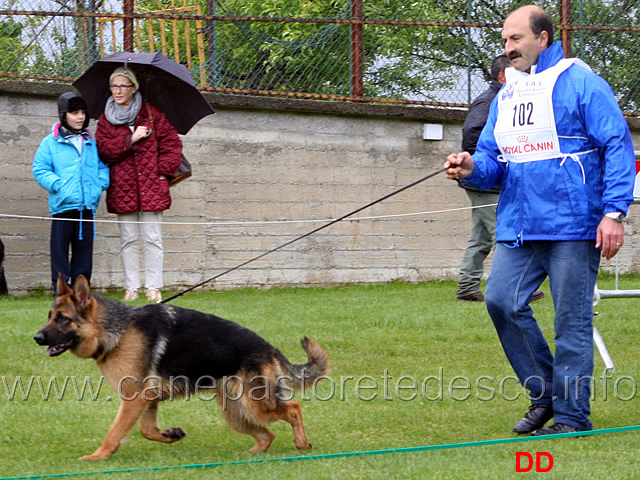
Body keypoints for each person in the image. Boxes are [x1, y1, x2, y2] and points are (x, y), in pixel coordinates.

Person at [444, 5, 635, 435]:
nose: (508, 48)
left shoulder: (583, 82)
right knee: (500, 302)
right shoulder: (507, 94)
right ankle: (546, 394)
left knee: (571, 323)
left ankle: (571, 418)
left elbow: (618, 146)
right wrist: (471, 167)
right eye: (506, 40)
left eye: (516, 39)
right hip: (520, 222)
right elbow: (494, 159)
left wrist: (613, 212)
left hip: (575, 224)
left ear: (543, 39)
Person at [456, 55, 545, 304]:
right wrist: (483, 163)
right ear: (503, 76)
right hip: (483, 181)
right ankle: (517, 285)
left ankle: (467, 286)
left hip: (489, 182)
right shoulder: (490, 101)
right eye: (518, 71)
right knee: (503, 231)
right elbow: (471, 135)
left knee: (481, 236)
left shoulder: (509, 98)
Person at [95, 66, 182, 303]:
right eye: (114, 86)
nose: (118, 91)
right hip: (123, 189)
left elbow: (172, 145)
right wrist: (130, 139)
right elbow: (103, 152)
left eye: (123, 86)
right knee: (129, 239)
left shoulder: (152, 113)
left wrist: (163, 172)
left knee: (153, 238)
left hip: (152, 186)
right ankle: (131, 287)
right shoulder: (105, 119)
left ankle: (154, 286)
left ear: (134, 88)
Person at [33, 92, 110, 294]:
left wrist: (99, 184)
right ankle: (60, 289)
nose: (80, 117)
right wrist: (59, 185)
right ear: (63, 115)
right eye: (74, 112)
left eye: (83, 112)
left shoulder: (91, 142)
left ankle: (81, 290)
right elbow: (40, 169)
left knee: (84, 250)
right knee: (59, 250)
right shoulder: (50, 142)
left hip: (87, 206)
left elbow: (102, 167)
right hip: (63, 206)